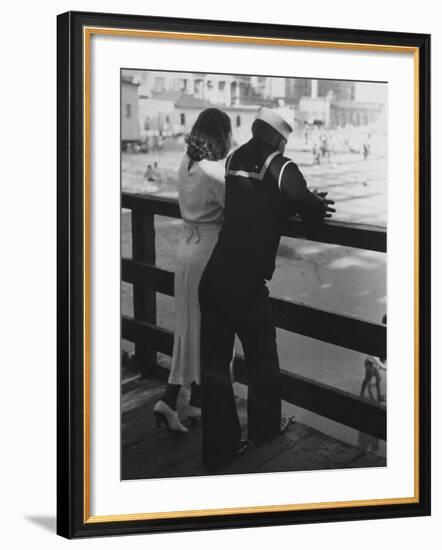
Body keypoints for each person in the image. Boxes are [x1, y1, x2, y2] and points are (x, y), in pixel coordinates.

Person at [199, 107, 335, 470]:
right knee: (262, 358)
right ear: (279, 138)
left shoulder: (233, 160)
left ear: (256, 129)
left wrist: (296, 200)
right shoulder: (282, 165)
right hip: (246, 283)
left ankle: (220, 447)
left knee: (214, 366)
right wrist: (313, 202)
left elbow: (256, 201)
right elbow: (307, 203)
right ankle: (265, 433)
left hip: (214, 277)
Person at [153, 108, 232, 433]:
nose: (231, 139)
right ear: (220, 136)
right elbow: (237, 210)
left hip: (185, 251)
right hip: (208, 254)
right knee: (211, 332)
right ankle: (173, 399)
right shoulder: (216, 173)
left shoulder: (186, 166)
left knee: (188, 327)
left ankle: (193, 402)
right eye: (228, 133)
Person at [360, 314, 387, 403]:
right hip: (371, 363)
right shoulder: (382, 334)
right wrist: (382, 364)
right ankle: (361, 394)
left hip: (373, 362)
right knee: (367, 379)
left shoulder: (380, 332)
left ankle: (378, 396)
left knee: (378, 378)